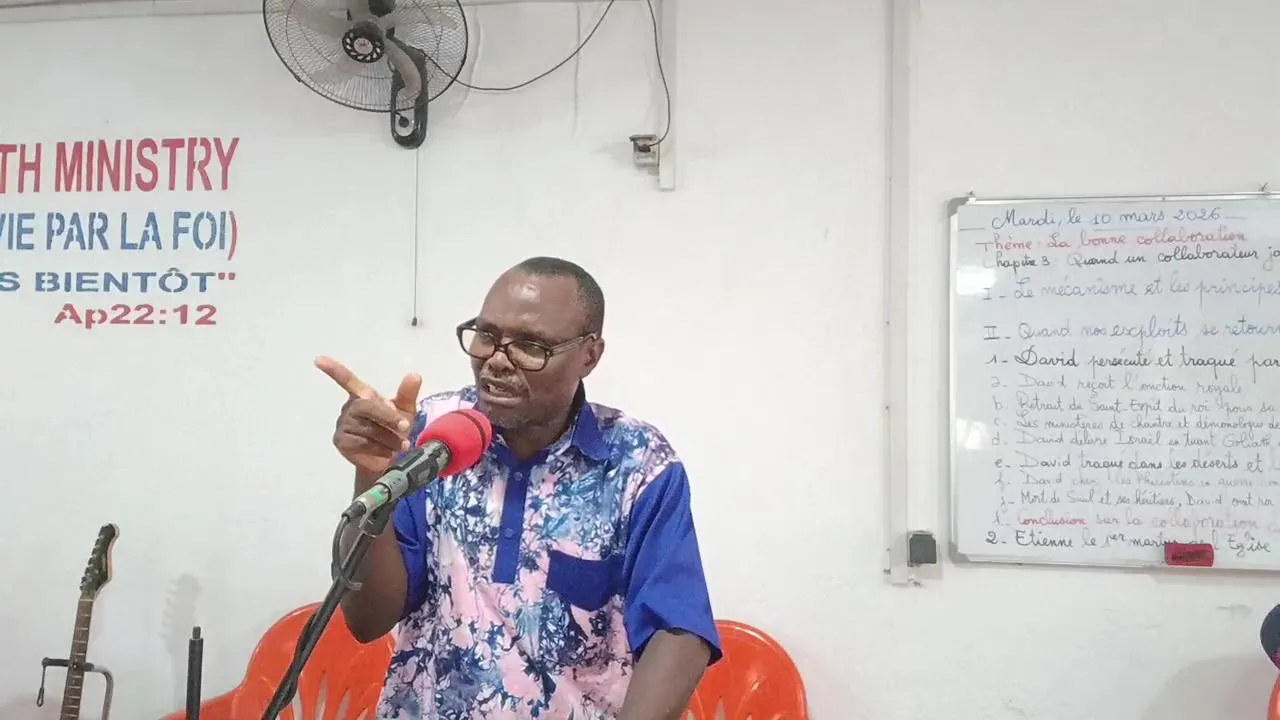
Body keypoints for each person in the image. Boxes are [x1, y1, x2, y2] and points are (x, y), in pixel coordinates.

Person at [316, 256, 721, 719]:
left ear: (589, 356)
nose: (496, 361)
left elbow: (677, 631)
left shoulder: (638, 464)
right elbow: (368, 620)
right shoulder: (432, 436)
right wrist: (371, 473)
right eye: (486, 335)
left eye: (530, 346)